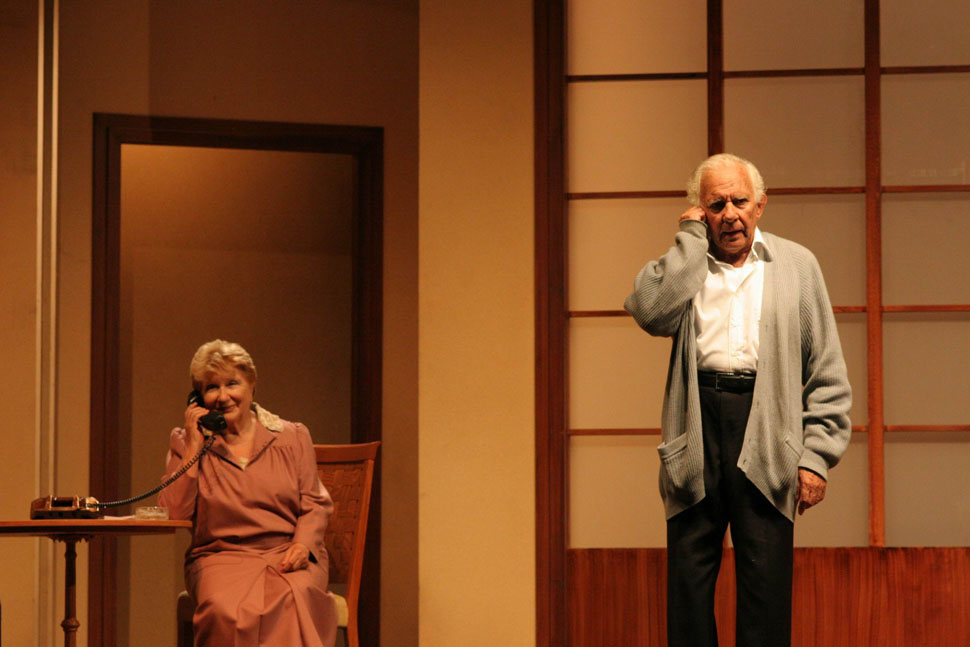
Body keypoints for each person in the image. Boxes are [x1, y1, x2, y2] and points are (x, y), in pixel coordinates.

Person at [624, 154, 852, 647]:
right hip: (697, 428)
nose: (729, 213)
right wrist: (689, 240)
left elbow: (827, 371)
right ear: (700, 211)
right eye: (716, 204)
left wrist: (816, 457)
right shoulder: (687, 266)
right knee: (688, 588)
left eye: (740, 201)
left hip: (767, 429)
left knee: (765, 590)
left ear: (760, 205)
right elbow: (649, 312)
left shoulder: (797, 266)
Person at [159, 339, 338, 647]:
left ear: (252, 386)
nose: (223, 396)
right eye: (211, 387)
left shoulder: (293, 436)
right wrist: (193, 447)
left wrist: (303, 544)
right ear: (198, 399)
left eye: (232, 383)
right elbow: (174, 513)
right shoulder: (187, 442)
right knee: (224, 609)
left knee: (296, 596)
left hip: (287, 553)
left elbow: (315, 502)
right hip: (220, 556)